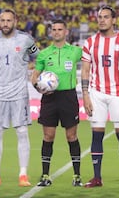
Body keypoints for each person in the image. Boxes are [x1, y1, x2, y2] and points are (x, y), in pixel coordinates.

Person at [81, 5, 119, 188]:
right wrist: (85, 95)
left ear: (114, 20)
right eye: (99, 17)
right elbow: (85, 70)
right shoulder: (90, 42)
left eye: (106, 17)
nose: (102, 20)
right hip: (96, 94)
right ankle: (97, 178)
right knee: (96, 135)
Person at [0, 8, 40, 187]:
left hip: (19, 94)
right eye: (2, 20)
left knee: (22, 132)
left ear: (15, 21)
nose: (5, 24)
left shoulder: (25, 40)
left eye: (9, 20)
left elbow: (39, 57)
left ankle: (23, 175)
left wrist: (36, 74)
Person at [31, 19, 83, 187]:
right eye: (54, 29)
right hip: (50, 98)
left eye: (60, 29)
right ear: (51, 32)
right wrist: (39, 88)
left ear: (66, 31)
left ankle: (77, 176)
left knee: (71, 136)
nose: (57, 32)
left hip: (68, 97)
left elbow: (91, 60)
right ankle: (45, 175)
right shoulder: (44, 54)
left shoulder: (75, 51)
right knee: (48, 136)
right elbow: (35, 75)